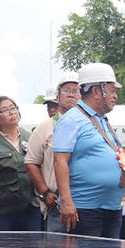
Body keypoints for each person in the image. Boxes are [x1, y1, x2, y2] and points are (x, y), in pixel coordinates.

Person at [54, 63, 125, 238]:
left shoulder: (102, 120)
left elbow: (114, 161)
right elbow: (60, 161)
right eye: (112, 90)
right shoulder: (71, 120)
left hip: (111, 208)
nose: (115, 95)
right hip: (85, 209)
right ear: (97, 91)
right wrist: (66, 202)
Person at [25, 71, 80, 233]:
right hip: (57, 204)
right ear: (57, 96)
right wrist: (45, 192)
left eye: (75, 91)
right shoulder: (45, 127)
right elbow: (31, 162)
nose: (71, 94)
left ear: (83, 96)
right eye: (66, 90)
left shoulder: (90, 125)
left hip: (87, 202)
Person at [0, 96, 41, 231]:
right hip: (2, 212)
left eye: (13, 108)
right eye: (5, 110)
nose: (12, 112)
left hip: (31, 208)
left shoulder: (32, 138)